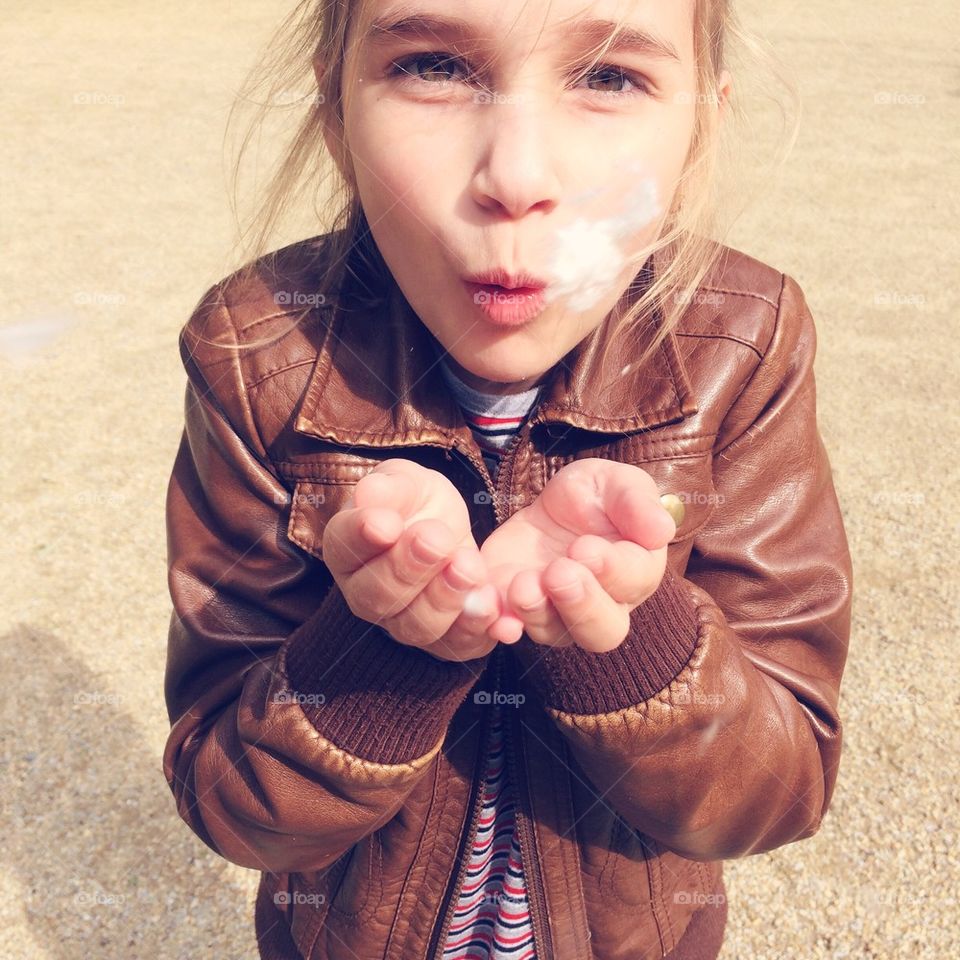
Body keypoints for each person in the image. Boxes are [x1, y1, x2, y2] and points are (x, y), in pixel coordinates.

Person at [162, 1, 853, 958]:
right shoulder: (261, 350)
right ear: (335, 104)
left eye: (610, 77)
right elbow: (235, 808)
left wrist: (628, 638)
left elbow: (776, 792)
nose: (517, 177)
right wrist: (384, 643)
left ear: (702, 128)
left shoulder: (743, 342)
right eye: (436, 66)